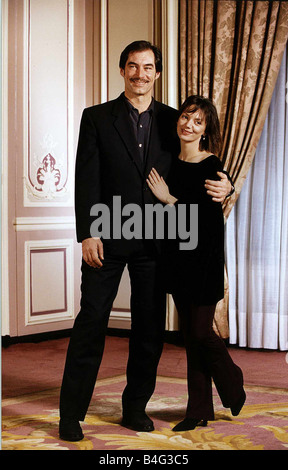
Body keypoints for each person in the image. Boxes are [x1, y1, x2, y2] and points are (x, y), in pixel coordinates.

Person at [59, 41, 233, 442]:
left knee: (149, 329)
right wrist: (87, 232)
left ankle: (135, 407)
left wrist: (227, 186)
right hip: (107, 235)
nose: (141, 73)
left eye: (148, 67)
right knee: (91, 322)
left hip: (157, 243)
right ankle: (72, 414)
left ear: (157, 73)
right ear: (122, 71)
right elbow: (87, 180)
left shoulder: (176, 121)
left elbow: (200, 166)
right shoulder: (96, 118)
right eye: (133, 66)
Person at [147, 95, 246, 432]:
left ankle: (232, 380)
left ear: (205, 130)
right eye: (186, 117)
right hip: (177, 260)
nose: (189, 125)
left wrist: (169, 199)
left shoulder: (212, 165)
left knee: (201, 333)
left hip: (203, 260)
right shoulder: (168, 163)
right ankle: (199, 409)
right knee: (191, 336)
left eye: (198, 121)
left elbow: (202, 221)